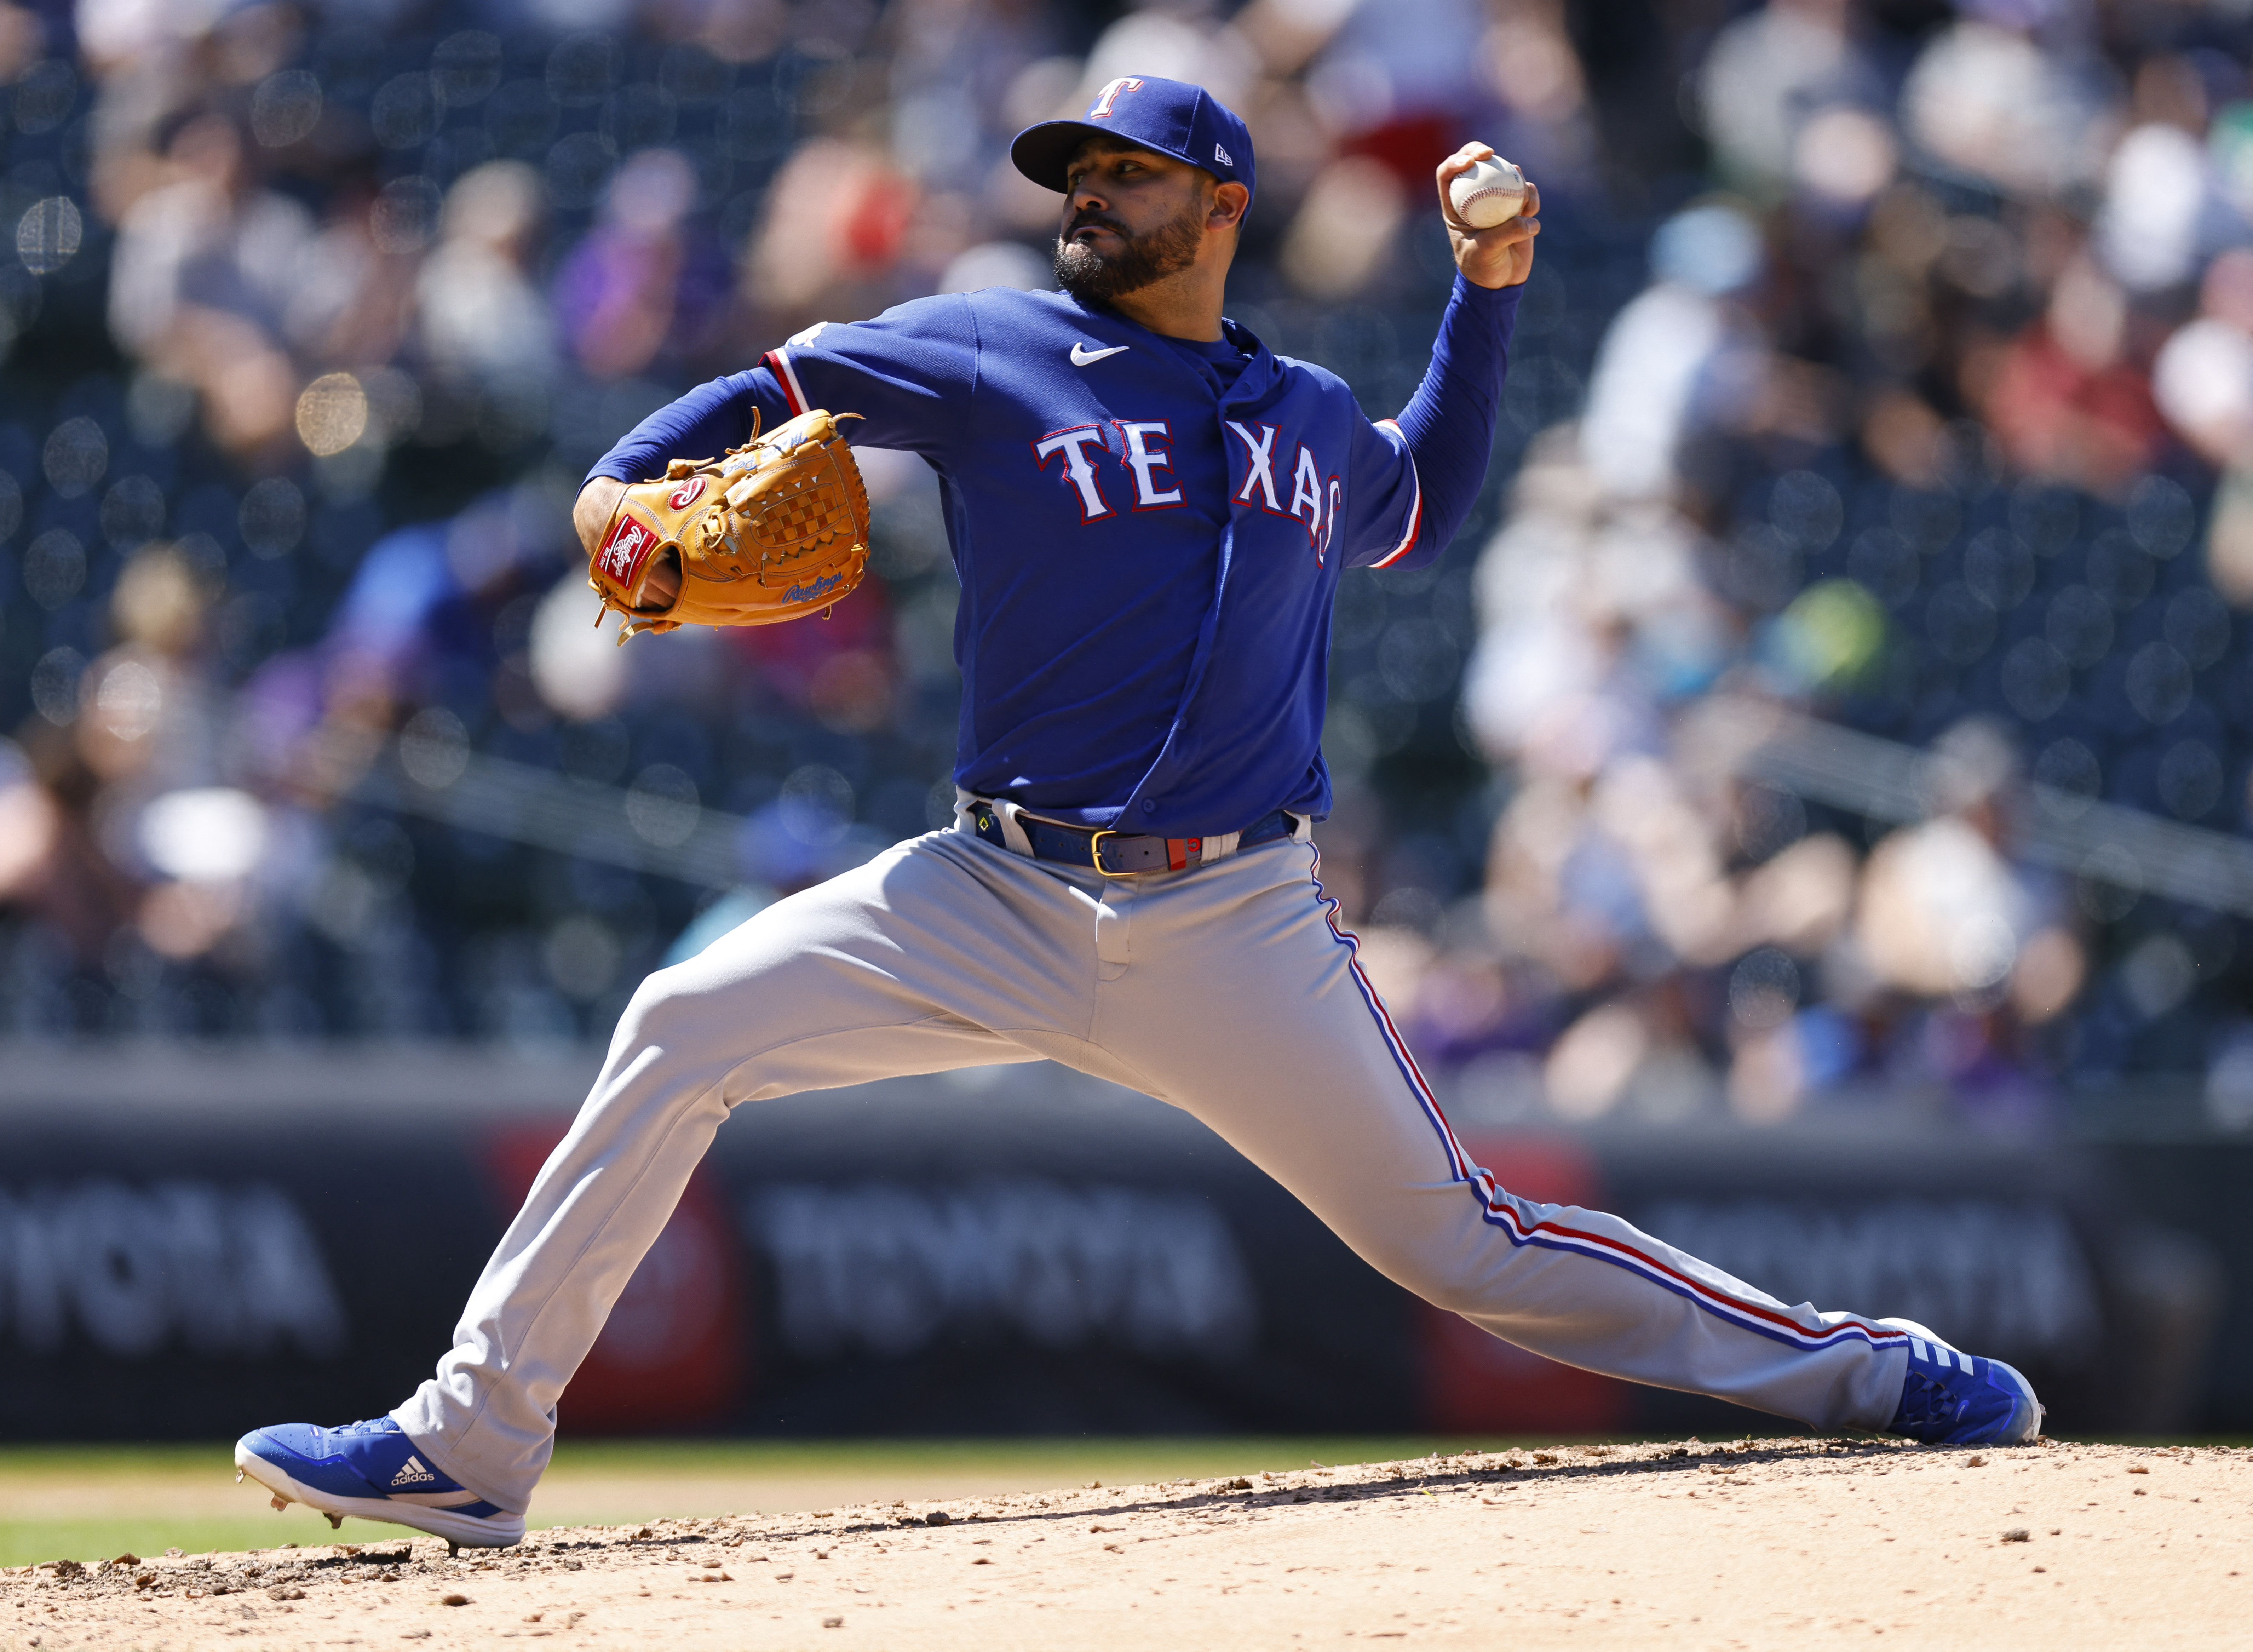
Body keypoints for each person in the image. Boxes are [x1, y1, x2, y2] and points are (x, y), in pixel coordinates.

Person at [234, 77, 2040, 1550]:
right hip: (989, 885)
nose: (1086, 193)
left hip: (1233, 923)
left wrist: (1485, 299)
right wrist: (629, 487)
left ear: (1220, 203)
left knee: (1472, 1247)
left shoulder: (1307, 411)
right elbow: (787, 379)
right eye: (1074, 170)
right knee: (679, 1021)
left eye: (1127, 172)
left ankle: (1875, 1375)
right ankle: (470, 1442)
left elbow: (1427, 492)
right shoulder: (989, 348)